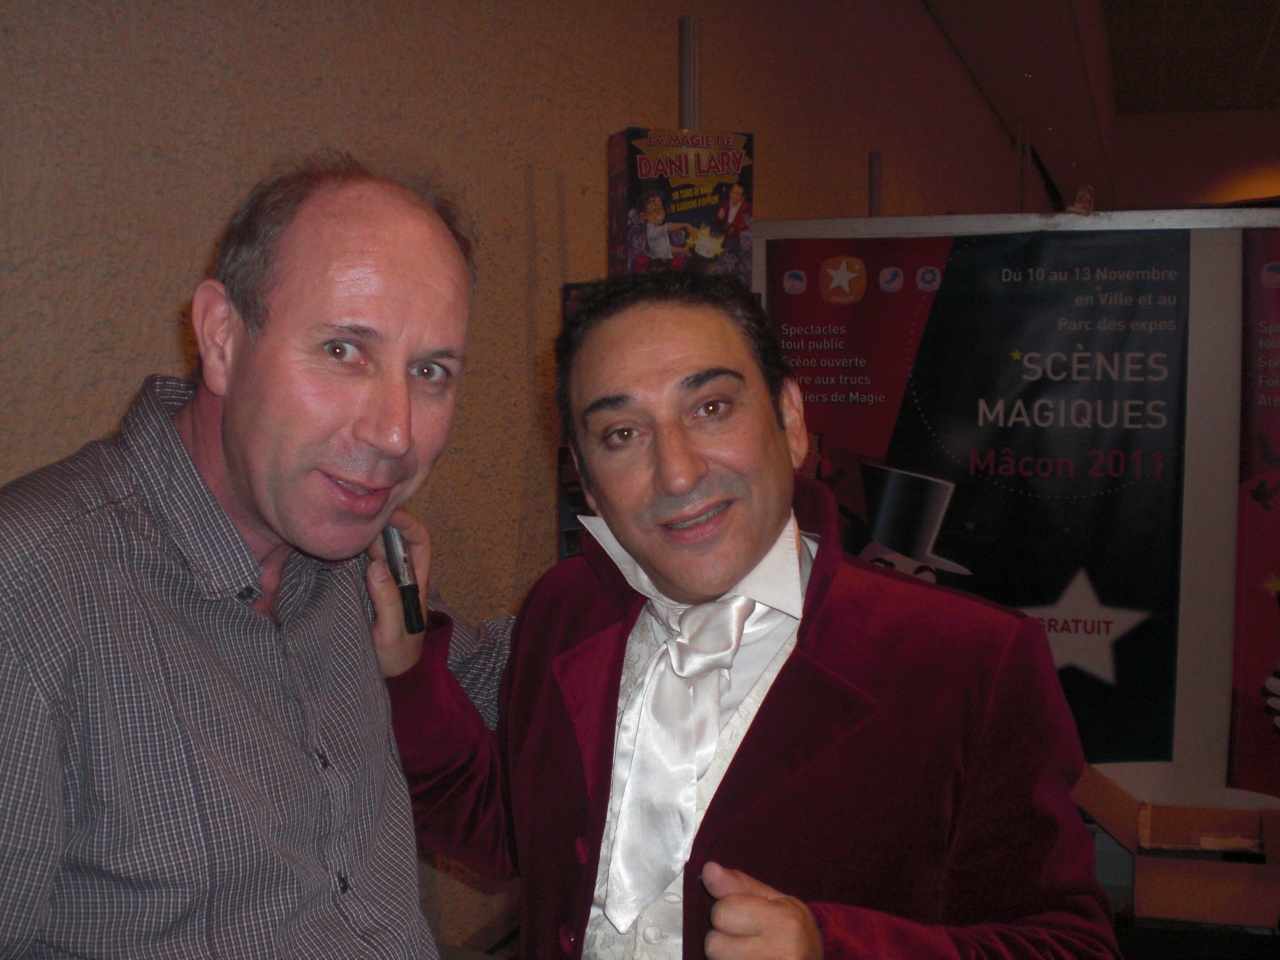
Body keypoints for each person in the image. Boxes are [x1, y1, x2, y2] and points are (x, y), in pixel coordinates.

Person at [385, 271, 1119, 959]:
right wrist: (408, 673)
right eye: (622, 435)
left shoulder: (967, 662)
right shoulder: (565, 610)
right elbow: (512, 835)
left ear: (790, 422)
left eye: (711, 408)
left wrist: (833, 946)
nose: (677, 472)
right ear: (585, 477)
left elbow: (1071, 945)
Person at [0, 152, 508, 958]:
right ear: (222, 338)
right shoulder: (28, 591)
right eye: (343, 351)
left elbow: (531, 691)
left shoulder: (360, 553)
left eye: (430, 371)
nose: (395, 432)